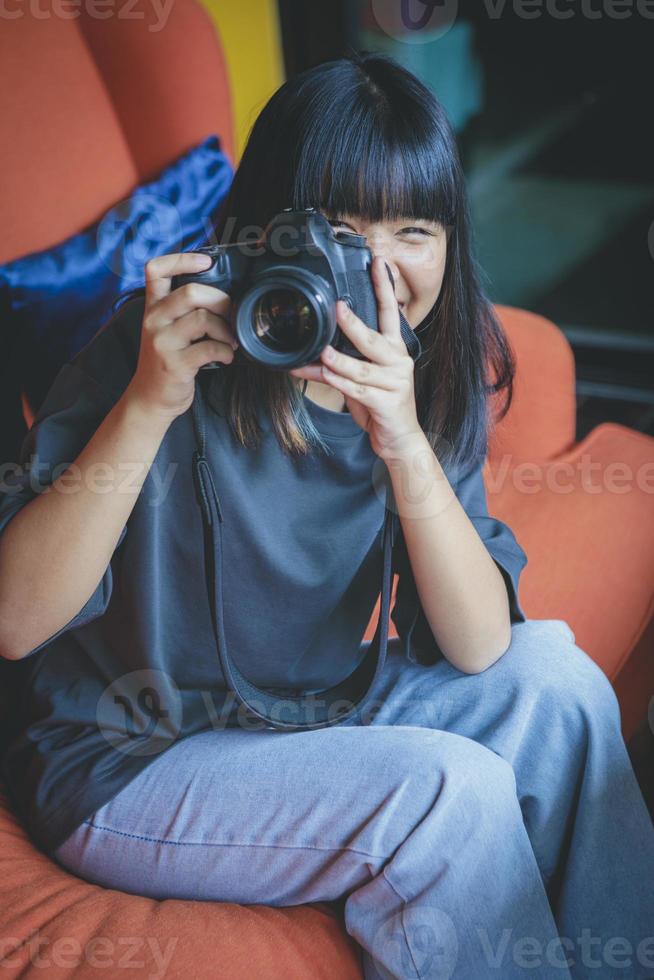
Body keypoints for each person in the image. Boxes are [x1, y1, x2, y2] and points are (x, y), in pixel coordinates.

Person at [0, 52, 652, 980]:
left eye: (411, 230)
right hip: (125, 757)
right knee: (448, 793)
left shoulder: (424, 367)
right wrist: (147, 404)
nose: (372, 269)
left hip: (309, 713)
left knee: (562, 685)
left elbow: (478, 649)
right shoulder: (154, 352)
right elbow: (17, 623)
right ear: (261, 233)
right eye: (337, 230)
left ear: (450, 244)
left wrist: (402, 439)